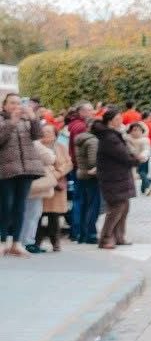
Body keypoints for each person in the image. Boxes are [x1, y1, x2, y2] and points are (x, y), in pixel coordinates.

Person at [0, 95, 45, 257]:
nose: (16, 106)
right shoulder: (3, 120)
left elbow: (38, 135)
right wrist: (11, 122)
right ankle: (2, 241)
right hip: (6, 169)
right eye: (12, 103)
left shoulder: (26, 121)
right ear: (4, 106)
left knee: (21, 207)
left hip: (26, 169)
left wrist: (33, 118)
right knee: (6, 206)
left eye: (19, 103)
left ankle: (17, 243)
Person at [94, 107, 136, 249]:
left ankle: (119, 236)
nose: (121, 121)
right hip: (113, 177)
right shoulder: (109, 137)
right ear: (110, 121)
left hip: (118, 176)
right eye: (118, 119)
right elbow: (123, 155)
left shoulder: (113, 134)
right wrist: (137, 158)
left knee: (124, 206)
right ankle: (105, 238)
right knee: (117, 207)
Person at [38, 123, 72, 252]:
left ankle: (55, 242)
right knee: (38, 215)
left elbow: (68, 164)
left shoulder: (61, 147)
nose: (46, 134)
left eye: (49, 132)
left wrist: (56, 174)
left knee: (54, 216)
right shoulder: (36, 146)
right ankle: (36, 241)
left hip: (57, 185)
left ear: (55, 135)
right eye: (44, 131)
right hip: (41, 184)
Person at [22, 137, 56, 254]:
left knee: (25, 213)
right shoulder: (34, 143)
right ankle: (27, 242)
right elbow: (50, 158)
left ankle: (22, 241)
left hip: (20, 179)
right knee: (33, 213)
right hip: (33, 181)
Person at [73, 109, 101, 242]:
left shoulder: (81, 139)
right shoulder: (93, 141)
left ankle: (79, 232)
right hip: (91, 176)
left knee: (81, 204)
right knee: (93, 205)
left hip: (81, 173)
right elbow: (93, 162)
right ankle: (90, 233)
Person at [125, 121, 151, 195]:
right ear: (130, 131)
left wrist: (143, 155)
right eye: (134, 130)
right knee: (141, 173)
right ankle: (147, 187)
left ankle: (144, 189)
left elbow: (146, 149)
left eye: (139, 130)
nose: (137, 132)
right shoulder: (127, 139)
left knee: (143, 173)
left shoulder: (145, 139)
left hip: (143, 158)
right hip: (131, 159)